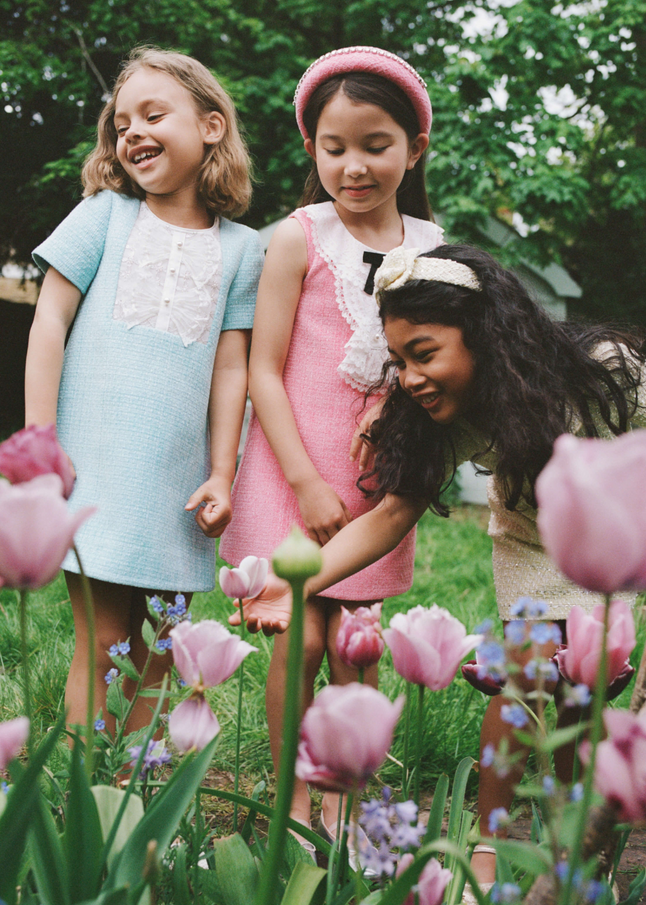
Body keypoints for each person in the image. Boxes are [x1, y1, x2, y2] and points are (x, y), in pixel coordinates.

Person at [235, 243, 646, 881]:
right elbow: (389, 517)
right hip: (533, 542)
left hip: (613, 539)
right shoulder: (454, 419)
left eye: (423, 354)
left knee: (579, 699)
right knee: (526, 674)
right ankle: (487, 844)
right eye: (399, 361)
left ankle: (571, 844)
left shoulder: (602, 371)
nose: (410, 377)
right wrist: (294, 585)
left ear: (485, 335)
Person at [219, 46, 443, 852]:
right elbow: (264, 372)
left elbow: (433, 357)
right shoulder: (297, 236)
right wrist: (307, 482)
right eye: (334, 146)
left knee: (356, 646)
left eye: (375, 145)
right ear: (311, 147)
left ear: (414, 148)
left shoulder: (433, 244)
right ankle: (292, 797)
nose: (354, 166)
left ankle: (350, 798)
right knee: (306, 638)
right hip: (294, 475)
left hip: (377, 483)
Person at [25, 47, 263, 736]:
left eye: (153, 115)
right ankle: (87, 798)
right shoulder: (104, 216)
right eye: (119, 123)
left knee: (162, 653)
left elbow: (230, 370)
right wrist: (41, 440)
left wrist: (223, 471)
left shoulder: (245, 251)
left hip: (179, 490)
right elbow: (48, 323)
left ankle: (139, 799)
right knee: (102, 644)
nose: (131, 133)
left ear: (212, 127)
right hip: (94, 472)